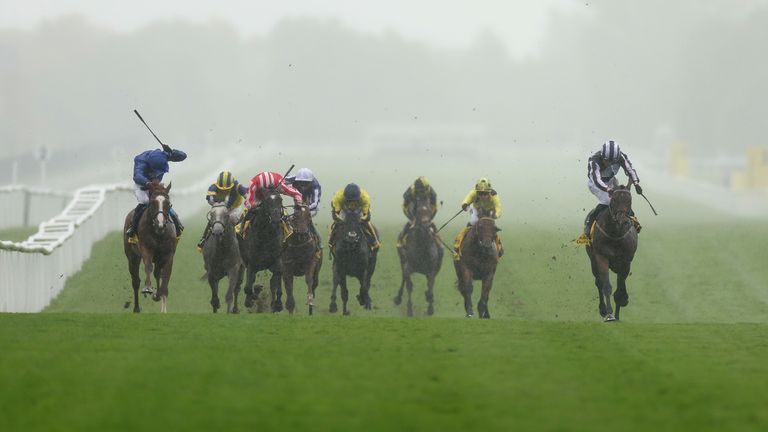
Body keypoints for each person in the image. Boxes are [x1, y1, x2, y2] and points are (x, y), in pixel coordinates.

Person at [582, 140, 642, 240]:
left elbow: (630, 169)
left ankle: (632, 218)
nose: (609, 164)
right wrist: (607, 189)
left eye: (612, 161)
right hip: (596, 184)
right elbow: (596, 180)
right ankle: (589, 222)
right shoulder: (594, 160)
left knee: (621, 198)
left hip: (611, 180)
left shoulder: (621, 157)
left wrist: (636, 183)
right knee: (607, 200)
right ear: (602, 156)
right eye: (607, 161)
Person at [125, 146, 187, 242]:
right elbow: (137, 176)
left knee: (163, 201)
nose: (157, 174)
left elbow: (183, 156)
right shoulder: (140, 161)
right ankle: (133, 228)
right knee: (145, 201)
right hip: (142, 186)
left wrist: (172, 151)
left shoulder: (164, 155)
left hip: (156, 185)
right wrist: (148, 183)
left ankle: (177, 224)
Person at [196, 170, 248, 251]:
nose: (224, 190)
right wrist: (218, 206)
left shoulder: (237, 186)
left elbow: (247, 195)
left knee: (234, 219)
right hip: (220, 208)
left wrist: (248, 203)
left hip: (234, 209)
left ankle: (244, 240)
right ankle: (203, 239)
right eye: (221, 189)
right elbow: (210, 200)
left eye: (228, 189)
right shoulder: (213, 187)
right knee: (213, 220)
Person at [453, 177, 503, 259]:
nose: (483, 196)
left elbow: (499, 208)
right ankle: (457, 246)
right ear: (477, 192)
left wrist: (495, 215)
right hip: (477, 209)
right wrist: (465, 205)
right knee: (473, 222)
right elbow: (466, 200)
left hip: (489, 211)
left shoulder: (494, 195)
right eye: (480, 193)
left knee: (491, 227)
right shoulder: (473, 192)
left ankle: (499, 248)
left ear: (489, 192)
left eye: (485, 194)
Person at [328, 183, 380, 255]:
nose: (351, 205)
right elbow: (336, 214)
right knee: (336, 224)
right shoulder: (338, 197)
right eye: (349, 201)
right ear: (345, 198)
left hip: (359, 209)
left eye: (354, 201)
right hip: (344, 209)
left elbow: (366, 216)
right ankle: (331, 242)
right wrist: (340, 220)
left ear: (358, 198)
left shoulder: (365, 198)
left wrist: (362, 219)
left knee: (367, 223)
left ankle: (375, 241)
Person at [284, 168, 322, 248]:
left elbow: (315, 203)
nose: (303, 186)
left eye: (306, 183)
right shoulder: (294, 178)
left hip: (311, 207)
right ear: (297, 180)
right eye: (301, 183)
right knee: (291, 219)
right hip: (298, 203)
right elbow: (282, 181)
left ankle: (318, 242)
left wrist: (304, 207)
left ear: (311, 182)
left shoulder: (316, 187)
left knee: (305, 218)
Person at [397, 176, 438, 249]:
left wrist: (429, 219)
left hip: (426, 214)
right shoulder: (410, 192)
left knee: (435, 231)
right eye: (421, 191)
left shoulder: (431, 192)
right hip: (413, 211)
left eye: (424, 190)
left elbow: (435, 207)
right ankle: (401, 241)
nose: (423, 192)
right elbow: (405, 207)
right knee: (407, 227)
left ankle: (439, 244)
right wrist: (412, 219)